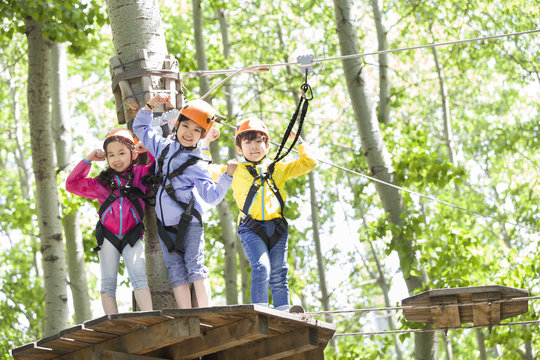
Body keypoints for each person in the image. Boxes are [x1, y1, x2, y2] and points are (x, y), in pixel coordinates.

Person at [133, 94, 237, 309]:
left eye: (197, 130)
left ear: (202, 136)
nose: (189, 133)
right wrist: (150, 104)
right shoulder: (162, 147)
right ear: (177, 125)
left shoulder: (197, 164)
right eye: (186, 126)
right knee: (176, 272)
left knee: (195, 266)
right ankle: (186, 315)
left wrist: (227, 177)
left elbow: (211, 196)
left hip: (189, 222)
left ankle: (206, 311)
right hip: (165, 226)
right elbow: (141, 127)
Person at [65, 128, 154, 315]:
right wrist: (88, 159)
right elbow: (72, 184)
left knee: (139, 278)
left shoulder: (140, 174)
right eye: (111, 155)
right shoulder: (100, 183)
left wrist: (149, 148)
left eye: (122, 153)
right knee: (107, 282)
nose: (117, 159)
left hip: (132, 235)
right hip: (108, 237)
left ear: (133, 153)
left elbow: (159, 168)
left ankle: (148, 315)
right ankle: (112, 320)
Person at [232, 118, 316, 312]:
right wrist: (205, 144)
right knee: (262, 268)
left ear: (267, 145)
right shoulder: (236, 171)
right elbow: (204, 170)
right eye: (248, 143)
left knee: (279, 272)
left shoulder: (278, 168)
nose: (254, 147)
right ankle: (260, 310)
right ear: (239, 149)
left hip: (276, 227)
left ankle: (283, 310)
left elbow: (309, 163)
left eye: (259, 141)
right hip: (251, 227)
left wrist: (299, 142)